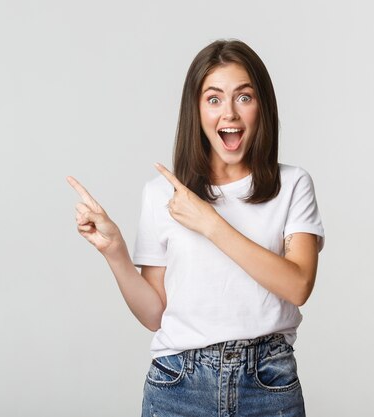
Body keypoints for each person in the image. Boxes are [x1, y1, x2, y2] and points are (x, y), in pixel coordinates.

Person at [67, 39, 325, 417]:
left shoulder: (292, 185)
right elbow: (156, 314)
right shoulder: (161, 194)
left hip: (267, 383)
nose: (230, 114)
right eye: (214, 99)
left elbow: (298, 285)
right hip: (179, 385)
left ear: (262, 107)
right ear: (197, 110)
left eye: (244, 97)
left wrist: (210, 223)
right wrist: (116, 252)